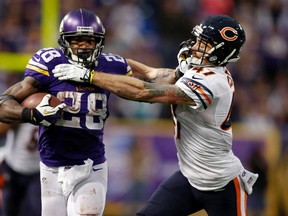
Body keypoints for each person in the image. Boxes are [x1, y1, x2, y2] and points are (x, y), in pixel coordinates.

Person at [53, 14, 259, 216]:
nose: (196, 46)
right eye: (198, 39)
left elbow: (144, 92)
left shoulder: (213, 82)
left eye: (204, 43)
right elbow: (159, 76)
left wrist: (91, 76)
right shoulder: (201, 69)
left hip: (221, 183)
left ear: (221, 53)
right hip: (189, 177)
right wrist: (103, 61)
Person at [0, 8, 163, 216]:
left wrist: (177, 74)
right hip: (51, 167)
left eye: (90, 40)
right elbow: (4, 101)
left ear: (99, 42)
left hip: (90, 166)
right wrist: (32, 115)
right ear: (65, 41)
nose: (84, 46)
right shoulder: (50, 64)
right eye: (77, 40)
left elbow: (152, 78)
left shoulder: (110, 65)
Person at [0, 123, 41, 216]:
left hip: (37, 172)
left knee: (37, 210)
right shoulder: (20, 109)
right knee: (8, 209)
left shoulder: (52, 111)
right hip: (13, 168)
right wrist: (16, 118)